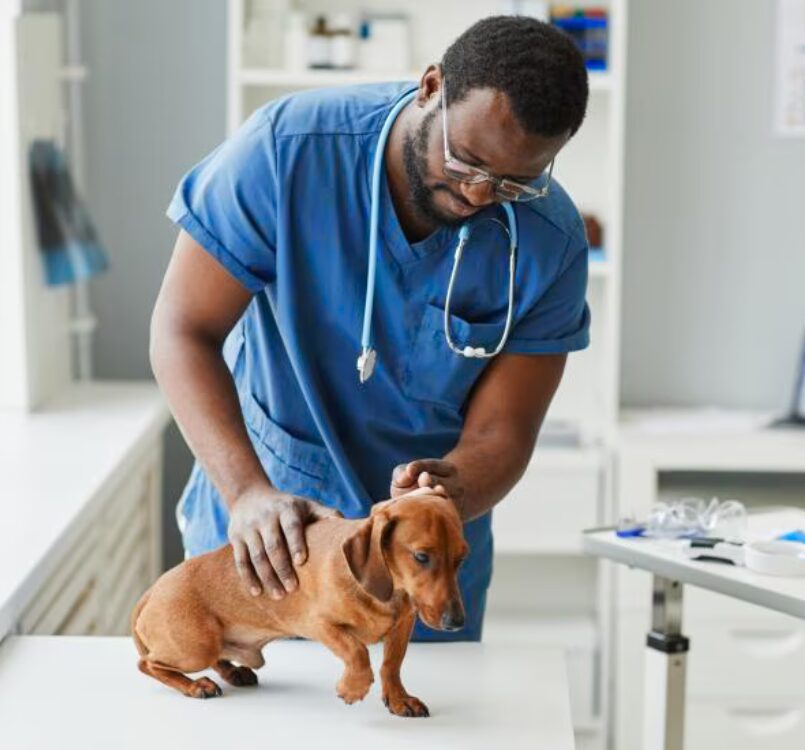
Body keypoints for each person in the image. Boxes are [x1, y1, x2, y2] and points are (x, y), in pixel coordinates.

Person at [150, 15, 591, 641]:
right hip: (272, 535)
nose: (479, 195)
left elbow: (504, 431)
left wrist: (449, 492)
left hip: (424, 558)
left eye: (514, 182)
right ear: (431, 87)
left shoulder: (550, 242)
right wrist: (246, 490)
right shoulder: (287, 151)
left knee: (415, 729)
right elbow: (181, 329)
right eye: (466, 160)